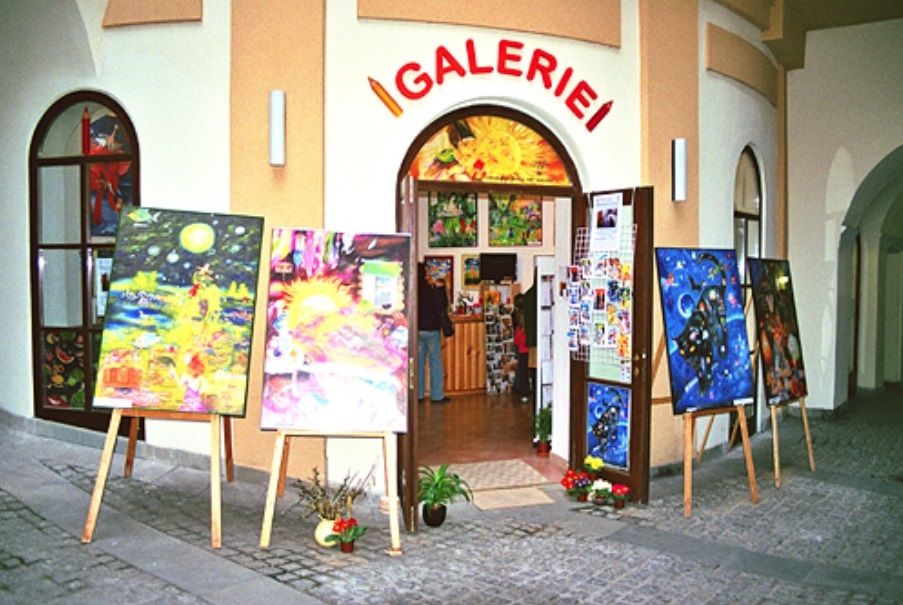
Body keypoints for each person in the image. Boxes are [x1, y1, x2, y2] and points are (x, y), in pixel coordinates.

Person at [417, 263, 451, 403]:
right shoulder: (432, 288)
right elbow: (443, 305)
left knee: (418, 363)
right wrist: (441, 287)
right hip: (432, 329)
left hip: (417, 329)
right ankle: (437, 395)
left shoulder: (412, 289)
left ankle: (418, 395)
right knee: (435, 362)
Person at [512, 294, 530, 402]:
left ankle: (524, 393)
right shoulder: (528, 326)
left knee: (523, 373)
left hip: (522, 351)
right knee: (530, 372)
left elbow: (516, 341)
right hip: (530, 350)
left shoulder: (518, 329)